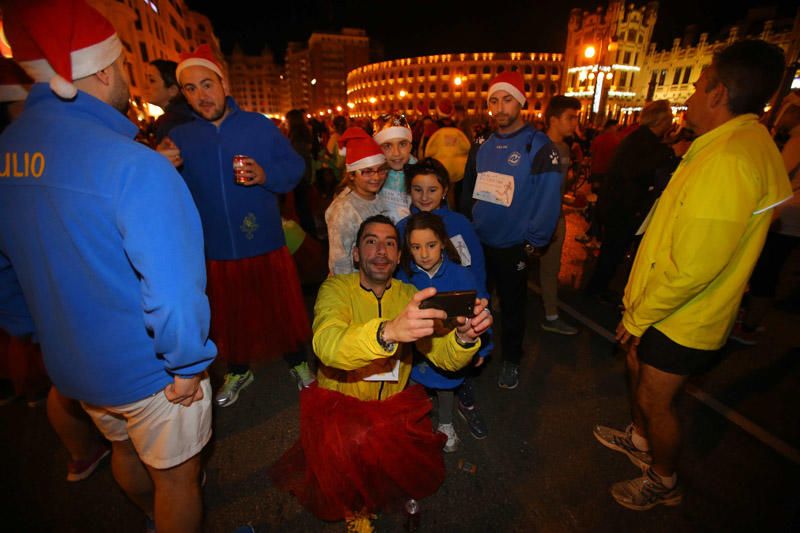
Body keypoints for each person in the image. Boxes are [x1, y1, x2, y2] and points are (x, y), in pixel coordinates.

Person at [1, 2, 217, 531]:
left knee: (124, 449)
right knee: (177, 478)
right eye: (120, 64)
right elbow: (173, 289)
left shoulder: (8, 151)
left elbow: (6, 269)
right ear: (101, 70)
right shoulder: (133, 164)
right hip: (148, 369)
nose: (123, 76)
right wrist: (187, 364)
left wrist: (31, 330)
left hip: (73, 365)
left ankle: (148, 518)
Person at [594, 39, 791, 511]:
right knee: (639, 373)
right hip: (669, 304)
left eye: (701, 83)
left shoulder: (730, 159)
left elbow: (695, 268)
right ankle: (640, 440)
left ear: (720, 93)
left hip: (683, 313)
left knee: (658, 400)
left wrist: (639, 316)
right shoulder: (732, 142)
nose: (693, 92)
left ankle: (664, 479)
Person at [270, 215, 492, 531]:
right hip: (342, 408)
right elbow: (326, 344)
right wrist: (386, 332)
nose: (381, 250)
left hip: (392, 406)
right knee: (351, 457)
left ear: (399, 256)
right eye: (371, 241)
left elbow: (444, 358)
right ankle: (354, 509)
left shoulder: (407, 295)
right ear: (357, 253)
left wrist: (464, 339)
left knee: (387, 466)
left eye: (390, 243)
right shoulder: (335, 288)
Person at [160, 45, 312, 405]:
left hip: (264, 241)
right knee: (229, 317)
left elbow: (294, 170)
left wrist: (265, 174)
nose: (201, 95)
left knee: (280, 311)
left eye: (207, 84)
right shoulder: (179, 138)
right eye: (191, 89)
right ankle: (238, 369)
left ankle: (298, 362)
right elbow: (161, 197)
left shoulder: (258, 125)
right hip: (214, 248)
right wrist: (159, 167)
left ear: (223, 83)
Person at [461, 71, 563, 390]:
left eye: (507, 99)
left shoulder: (540, 146)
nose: (500, 107)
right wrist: (464, 230)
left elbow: (549, 199)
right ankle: (470, 352)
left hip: (512, 246)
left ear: (520, 102)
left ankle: (511, 361)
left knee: (513, 307)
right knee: (475, 303)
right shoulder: (481, 144)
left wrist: (534, 242)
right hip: (479, 242)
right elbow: (468, 191)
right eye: (494, 100)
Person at [396, 158, 490, 439]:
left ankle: (464, 401)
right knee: (417, 376)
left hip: (456, 323)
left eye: (432, 190)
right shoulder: (402, 226)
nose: (425, 197)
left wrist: (484, 340)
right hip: (417, 327)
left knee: (456, 371)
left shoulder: (460, 224)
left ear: (445, 190)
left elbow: (477, 275)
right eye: (417, 189)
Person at [586, 100, 682, 304]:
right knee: (613, 251)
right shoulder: (643, 142)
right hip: (622, 208)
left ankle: (598, 288)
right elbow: (639, 170)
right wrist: (672, 153)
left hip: (621, 207)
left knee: (613, 251)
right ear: (661, 120)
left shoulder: (641, 139)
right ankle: (596, 290)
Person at [730, 99, 800, 344]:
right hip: (791, 216)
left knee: (765, 271)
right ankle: (750, 320)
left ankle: (749, 326)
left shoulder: (796, 141)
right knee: (770, 269)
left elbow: (778, 173)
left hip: (788, 214)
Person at [539, 95, 582, 335]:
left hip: (557, 219)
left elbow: (560, 186)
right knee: (516, 264)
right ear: (553, 120)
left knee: (550, 269)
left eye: (576, 117)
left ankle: (551, 315)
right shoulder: (537, 147)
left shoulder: (565, 148)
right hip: (535, 220)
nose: (575, 123)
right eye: (570, 117)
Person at [325, 127, 389, 274]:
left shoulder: (378, 195)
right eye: (367, 171)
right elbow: (339, 261)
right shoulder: (344, 210)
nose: (376, 177)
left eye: (381, 169)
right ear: (352, 175)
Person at [575, 119, 621, 245]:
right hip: (607, 176)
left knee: (594, 204)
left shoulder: (598, 139)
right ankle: (596, 235)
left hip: (597, 175)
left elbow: (592, 154)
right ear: (612, 127)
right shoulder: (616, 141)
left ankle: (593, 232)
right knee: (601, 205)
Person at [424, 105, 471, 209]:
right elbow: (467, 147)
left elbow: (426, 149)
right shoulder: (458, 128)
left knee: (438, 193)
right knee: (455, 195)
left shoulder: (431, 127)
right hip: (457, 170)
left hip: (438, 168)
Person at [374, 112, 415, 223]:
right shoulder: (373, 176)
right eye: (387, 146)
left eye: (402, 144)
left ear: (410, 147)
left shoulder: (422, 174)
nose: (396, 153)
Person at [145, 59, 193, 145]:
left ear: (172, 90)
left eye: (152, 80)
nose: (146, 86)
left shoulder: (169, 124)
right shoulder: (188, 114)